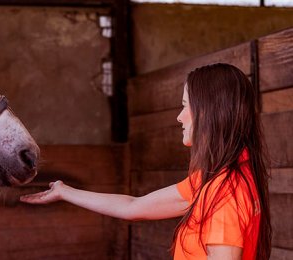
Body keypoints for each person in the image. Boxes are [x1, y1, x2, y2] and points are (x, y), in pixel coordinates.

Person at [20, 63, 272, 260]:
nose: (179, 117)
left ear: (208, 111)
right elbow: (134, 207)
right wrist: (65, 192)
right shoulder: (215, 180)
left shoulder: (225, 191)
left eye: (185, 106)